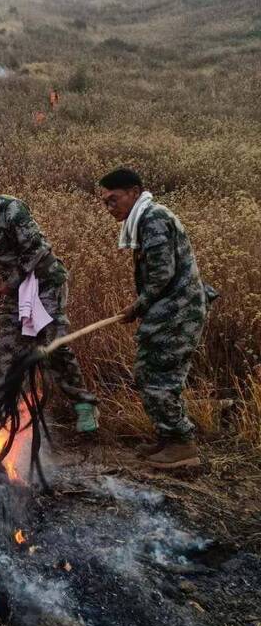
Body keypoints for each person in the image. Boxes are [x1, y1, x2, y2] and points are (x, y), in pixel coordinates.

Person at [0, 161, 99, 433]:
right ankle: (3, 409)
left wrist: (12, 280)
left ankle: (84, 405)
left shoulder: (11, 209)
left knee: (52, 345)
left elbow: (37, 249)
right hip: (17, 292)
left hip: (45, 283)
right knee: (6, 349)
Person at [99, 167, 216, 469]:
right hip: (169, 312)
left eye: (114, 200)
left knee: (157, 377)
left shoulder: (153, 219)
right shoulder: (145, 219)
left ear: (134, 193)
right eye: (105, 203)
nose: (110, 208)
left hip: (178, 314)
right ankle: (168, 438)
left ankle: (181, 444)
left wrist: (137, 307)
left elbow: (162, 274)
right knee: (150, 373)